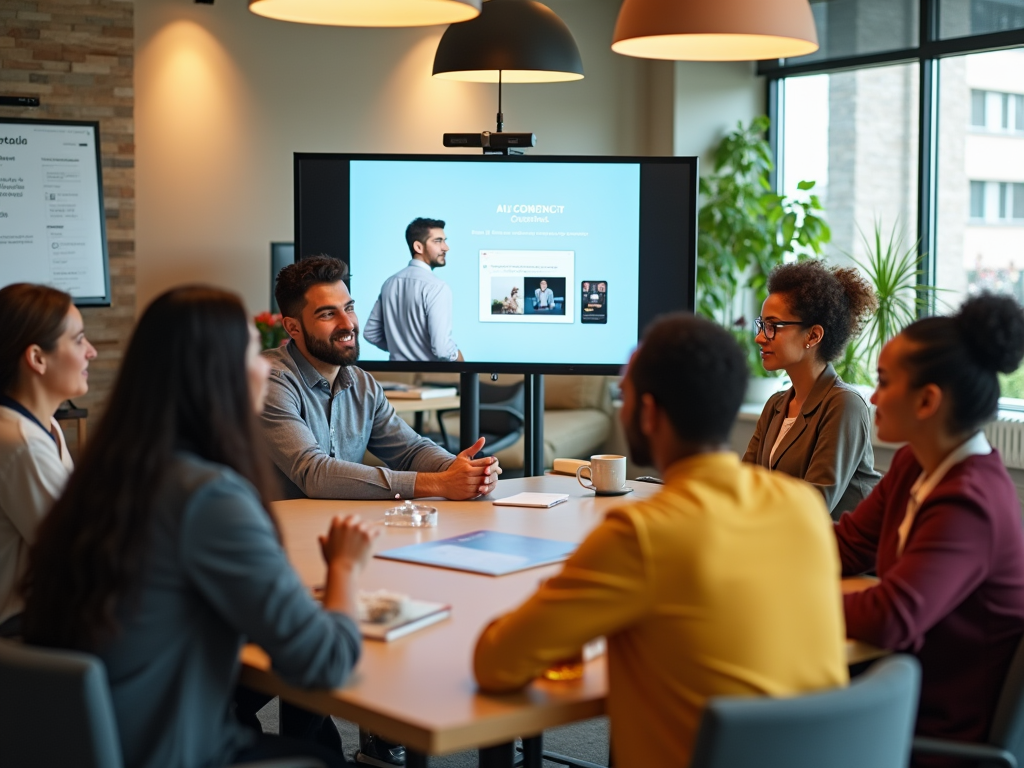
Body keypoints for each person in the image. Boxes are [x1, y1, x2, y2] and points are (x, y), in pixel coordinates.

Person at [19, 286, 373, 768]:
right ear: (219, 372)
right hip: (169, 749)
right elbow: (323, 663)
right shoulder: (209, 495)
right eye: (253, 351)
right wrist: (345, 568)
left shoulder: (108, 474)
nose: (265, 366)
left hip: (91, 739)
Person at [473, 313, 848, 767]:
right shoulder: (801, 508)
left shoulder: (640, 534)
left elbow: (496, 664)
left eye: (623, 394)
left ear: (648, 412)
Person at [835, 293, 1024, 753]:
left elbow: (891, 618)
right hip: (894, 695)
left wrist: (792, 595)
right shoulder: (913, 465)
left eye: (883, 382)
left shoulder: (970, 502)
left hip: (933, 733)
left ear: (927, 400)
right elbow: (848, 545)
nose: (874, 397)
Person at [261, 255, 500, 502]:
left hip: (342, 526)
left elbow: (410, 451)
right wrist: (439, 483)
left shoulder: (362, 384)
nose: (348, 324)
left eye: (349, 308)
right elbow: (314, 474)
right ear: (293, 328)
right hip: (276, 533)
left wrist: (463, 470)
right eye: (327, 314)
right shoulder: (269, 382)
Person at [743, 260, 881, 518]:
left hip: (832, 554)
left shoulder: (844, 405)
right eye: (762, 325)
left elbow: (812, 508)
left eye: (773, 326)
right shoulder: (775, 405)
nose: (760, 337)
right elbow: (744, 484)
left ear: (813, 336)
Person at [0, 283, 96, 636]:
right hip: (24, 630)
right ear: (38, 358)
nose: (92, 352)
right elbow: (77, 555)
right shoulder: (19, 442)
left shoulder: (45, 425)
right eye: (79, 340)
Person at [363, 217, 462, 362]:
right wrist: (459, 358)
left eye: (444, 240)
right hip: (429, 379)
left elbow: (370, 333)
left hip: (397, 376)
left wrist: (401, 348)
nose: (446, 247)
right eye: (438, 241)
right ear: (418, 247)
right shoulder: (437, 287)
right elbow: (442, 350)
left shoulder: (389, 283)